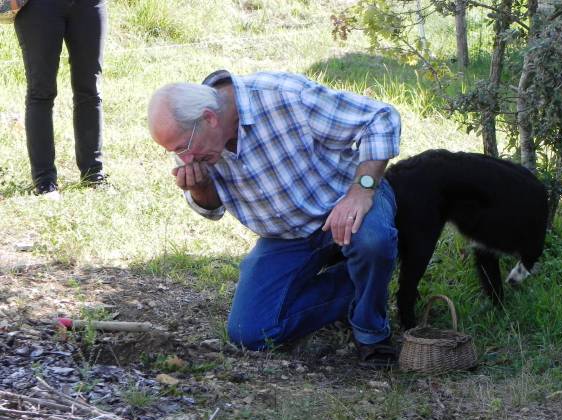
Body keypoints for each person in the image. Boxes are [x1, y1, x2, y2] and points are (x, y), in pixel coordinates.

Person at [148, 70, 401, 368]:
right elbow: (212, 208)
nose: (184, 159)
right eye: (174, 152)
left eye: (182, 148)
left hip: (344, 199)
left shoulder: (283, 95)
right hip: (287, 235)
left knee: (372, 241)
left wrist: (362, 190)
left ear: (209, 118)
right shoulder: (192, 137)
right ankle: (362, 284)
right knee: (250, 332)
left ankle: (370, 332)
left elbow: (381, 118)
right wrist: (199, 186)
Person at [14, 0, 108, 197]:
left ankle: (94, 176)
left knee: (90, 90)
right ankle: (44, 182)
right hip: (39, 7)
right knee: (41, 92)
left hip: (89, 5)